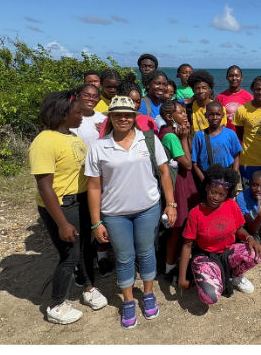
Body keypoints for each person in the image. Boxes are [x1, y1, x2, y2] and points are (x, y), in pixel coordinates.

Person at [85, 95, 177, 329]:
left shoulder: (148, 140)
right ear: (111, 117)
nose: (123, 118)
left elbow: (165, 173)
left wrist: (171, 203)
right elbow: (94, 186)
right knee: (125, 257)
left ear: (135, 117)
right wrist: (96, 222)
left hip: (148, 208)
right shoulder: (98, 147)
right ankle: (127, 300)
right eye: (118, 114)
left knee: (147, 253)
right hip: (115, 214)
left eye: (128, 114)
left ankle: (147, 294)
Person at [29, 90, 108, 325]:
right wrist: (62, 223)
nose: (82, 115)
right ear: (63, 114)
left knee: (85, 249)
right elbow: (45, 187)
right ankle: (55, 304)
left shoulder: (72, 137)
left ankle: (88, 287)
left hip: (82, 200)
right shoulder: (44, 142)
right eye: (77, 111)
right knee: (69, 255)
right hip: (63, 204)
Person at [178, 164, 261, 305]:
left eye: (221, 194)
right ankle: (210, 275)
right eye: (213, 192)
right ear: (206, 188)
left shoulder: (230, 204)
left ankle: (234, 276)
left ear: (227, 195)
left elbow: (238, 229)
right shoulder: (195, 213)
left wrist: (250, 238)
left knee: (255, 253)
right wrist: (182, 279)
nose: (216, 197)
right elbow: (187, 246)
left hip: (227, 252)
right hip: (206, 255)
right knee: (210, 298)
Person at [157, 99, 200, 285]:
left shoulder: (171, 132)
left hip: (182, 183)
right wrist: (184, 138)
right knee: (177, 229)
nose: (185, 115)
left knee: (182, 227)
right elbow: (188, 164)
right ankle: (170, 266)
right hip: (179, 185)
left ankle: (176, 262)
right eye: (180, 112)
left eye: (184, 111)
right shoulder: (171, 137)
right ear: (168, 117)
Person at [192, 101, 241, 184]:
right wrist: (204, 181)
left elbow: (236, 156)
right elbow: (194, 162)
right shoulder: (199, 135)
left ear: (223, 115)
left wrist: (234, 176)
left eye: (218, 114)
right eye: (211, 114)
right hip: (206, 176)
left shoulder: (230, 134)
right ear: (206, 116)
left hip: (226, 175)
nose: (215, 117)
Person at [187, 70, 227, 135]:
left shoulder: (219, 108)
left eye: (204, 88)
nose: (201, 91)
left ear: (209, 89)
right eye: (197, 88)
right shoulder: (188, 109)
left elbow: (221, 132)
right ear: (193, 90)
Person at [216, 65, 253, 134]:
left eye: (237, 76)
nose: (234, 78)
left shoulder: (249, 97)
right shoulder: (220, 97)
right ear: (227, 78)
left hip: (243, 138)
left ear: (241, 78)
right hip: (225, 137)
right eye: (231, 76)